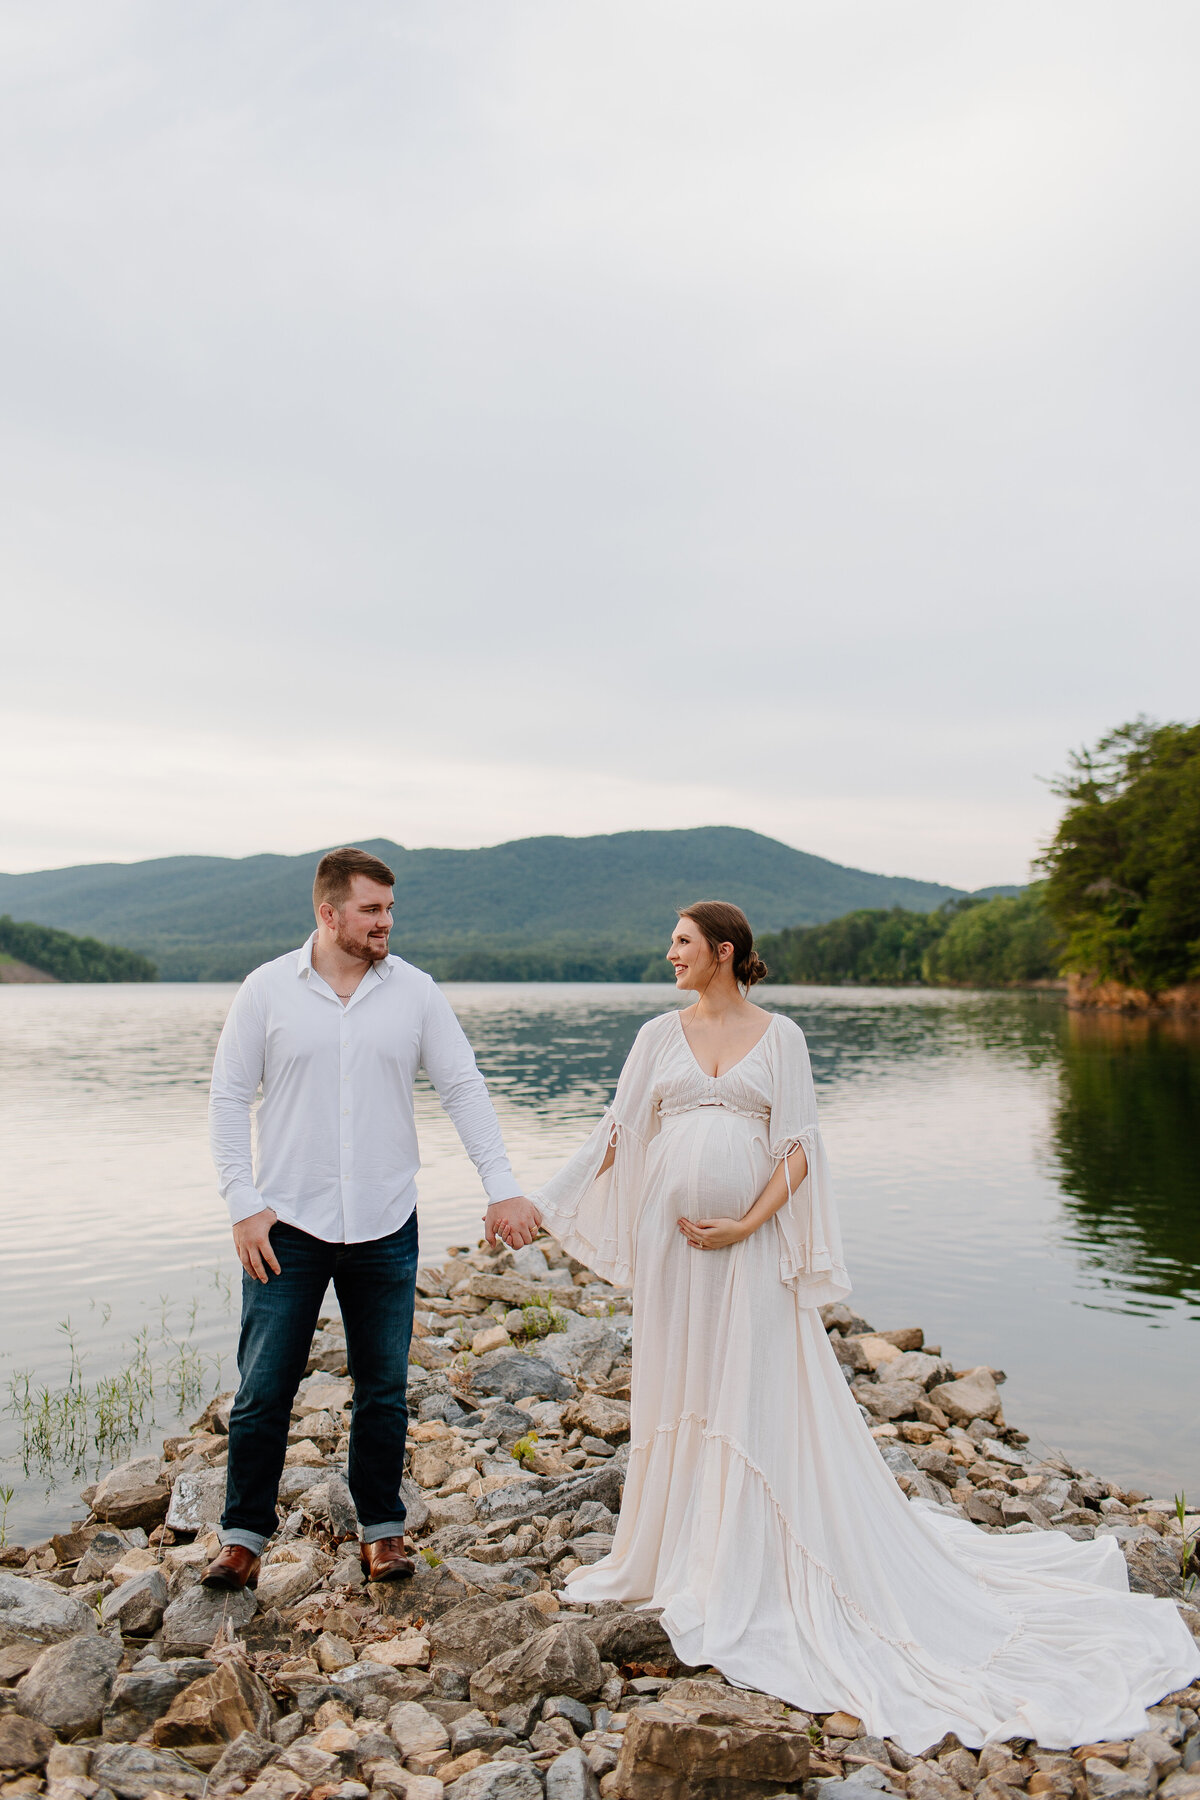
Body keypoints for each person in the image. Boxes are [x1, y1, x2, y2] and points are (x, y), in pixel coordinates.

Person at [490, 900, 1200, 1754]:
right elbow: (613, 1136)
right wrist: (544, 1202)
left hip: (744, 1253)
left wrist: (749, 1224)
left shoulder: (780, 1038)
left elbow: (798, 1149)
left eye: (680, 942)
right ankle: (680, 1549)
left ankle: (754, 1559)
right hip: (673, 1253)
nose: (667, 953)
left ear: (723, 952)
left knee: (750, 1387)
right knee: (681, 1385)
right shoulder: (654, 1036)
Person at [204, 845, 536, 1590]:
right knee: (264, 1389)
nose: (387, 921)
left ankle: (381, 1533)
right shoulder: (265, 991)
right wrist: (241, 1204)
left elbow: (464, 1088)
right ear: (329, 914)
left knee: (383, 1387)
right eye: (372, 909)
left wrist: (501, 1185)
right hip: (284, 1223)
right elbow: (228, 1099)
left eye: (390, 908)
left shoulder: (415, 992)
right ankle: (243, 1538)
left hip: (386, 1222)